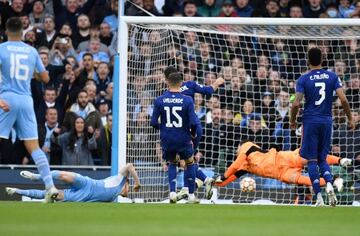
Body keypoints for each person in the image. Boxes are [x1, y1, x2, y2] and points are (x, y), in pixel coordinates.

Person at [0, 17, 58, 203]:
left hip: (7, 98)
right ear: (23, 31)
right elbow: (46, 78)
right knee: (34, 147)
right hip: (26, 100)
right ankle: (50, 186)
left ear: (6, 31)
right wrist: (33, 73)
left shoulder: (2, 49)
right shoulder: (32, 51)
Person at [290, 47, 355, 207]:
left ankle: (319, 197)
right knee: (322, 157)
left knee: (311, 160)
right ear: (322, 60)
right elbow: (344, 99)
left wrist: (292, 120)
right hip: (327, 121)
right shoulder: (332, 76)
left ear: (308, 61)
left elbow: (296, 103)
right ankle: (329, 184)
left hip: (310, 121)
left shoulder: (303, 79)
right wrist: (350, 118)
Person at [164, 66, 224, 201]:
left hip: (182, 131)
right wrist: (217, 82)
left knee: (182, 161)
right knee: (187, 161)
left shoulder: (166, 95)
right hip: (194, 127)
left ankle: (198, 183)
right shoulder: (190, 85)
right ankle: (195, 185)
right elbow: (208, 91)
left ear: (168, 80)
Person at [215, 141, 352, 190]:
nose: (237, 151)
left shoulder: (247, 146)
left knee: (307, 158)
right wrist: (211, 182)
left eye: (237, 149)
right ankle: (334, 181)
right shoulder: (244, 168)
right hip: (281, 174)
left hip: (282, 159)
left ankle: (340, 160)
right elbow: (224, 182)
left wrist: (223, 175)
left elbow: (234, 165)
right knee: (305, 181)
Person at [151, 71, 202, 204]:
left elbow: (153, 122)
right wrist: (193, 134)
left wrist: (163, 129)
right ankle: (190, 195)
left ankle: (172, 192)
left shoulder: (159, 100)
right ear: (181, 83)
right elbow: (193, 122)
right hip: (183, 138)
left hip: (167, 138)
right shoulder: (187, 100)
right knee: (190, 162)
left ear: (167, 82)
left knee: (172, 162)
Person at [6, 163, 140, 202]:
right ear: (127, 184)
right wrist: (137, 183)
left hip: (82, 197)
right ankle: (36, 177)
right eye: (128, 191)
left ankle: (17, 191)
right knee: (64, 175)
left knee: (51, 194)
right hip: (87, 183)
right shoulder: (120, 179)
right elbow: (129, 166)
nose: (127, 194)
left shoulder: (113, 198)